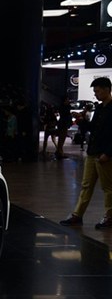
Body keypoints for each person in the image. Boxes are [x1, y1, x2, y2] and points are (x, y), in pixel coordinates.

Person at [59, 76, 112, 230]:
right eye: (95, 91)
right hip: (93, 152)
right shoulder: (100, 108)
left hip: (105, 155)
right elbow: (93, 128)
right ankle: (77, 215)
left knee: (108, 187)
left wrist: (108, 153)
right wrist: (81, 120)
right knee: (86, 185)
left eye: (97, 91)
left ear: (107, 90)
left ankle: (109, 217)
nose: (95, 94)